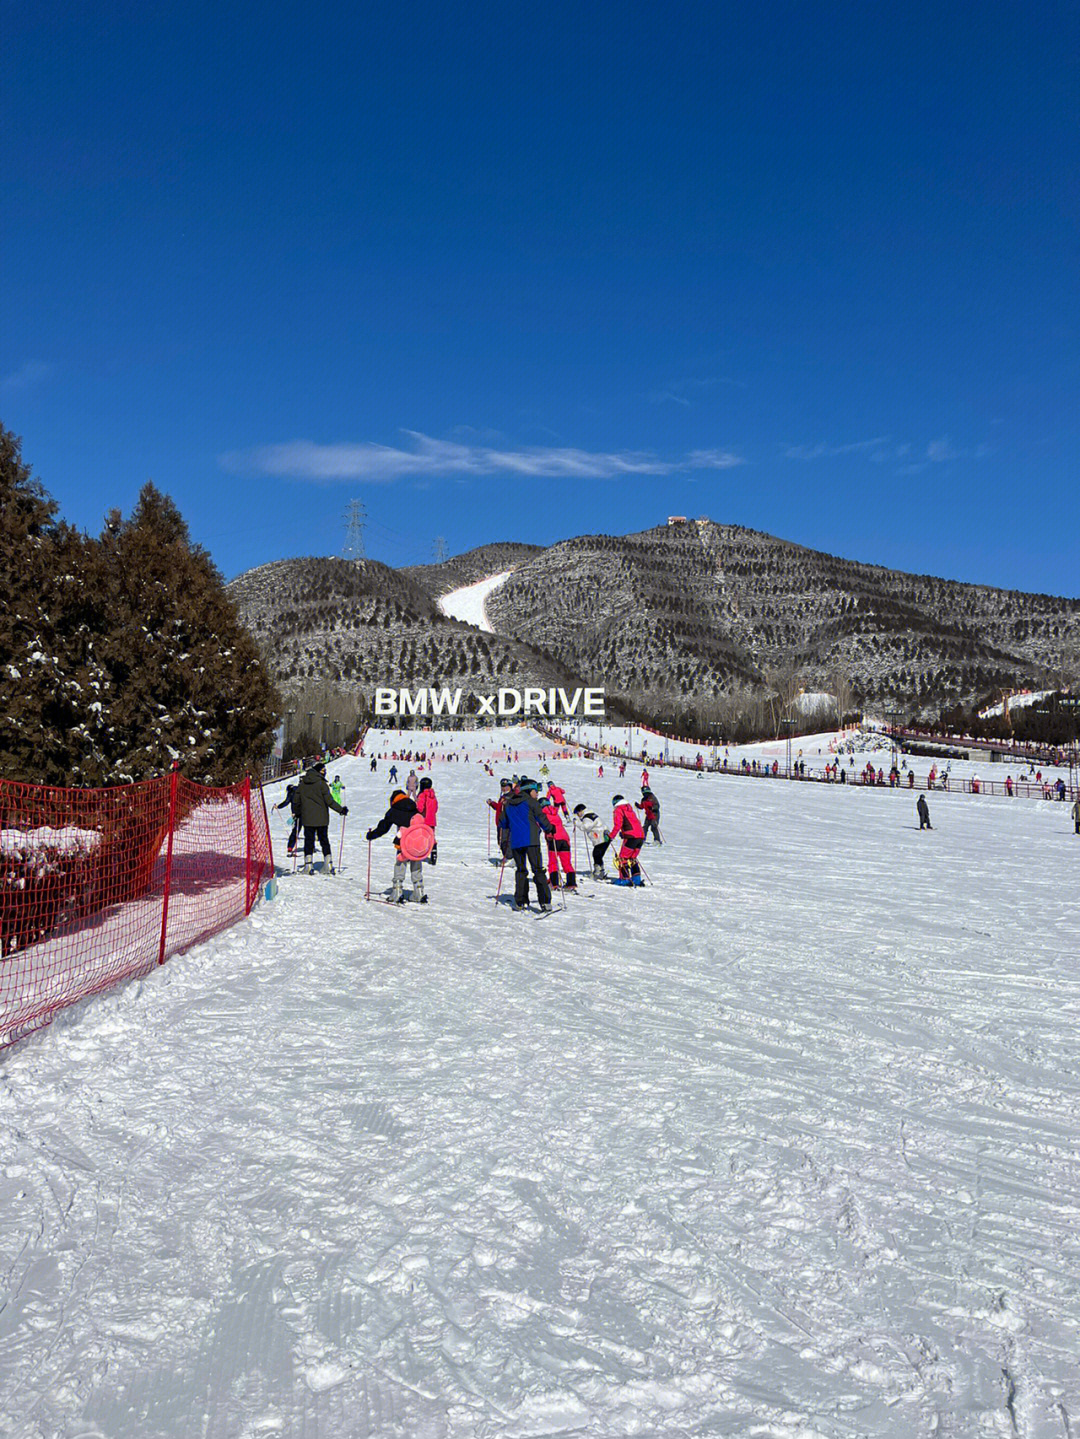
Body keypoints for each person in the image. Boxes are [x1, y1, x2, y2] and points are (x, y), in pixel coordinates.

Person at [501, 778, 554, 911]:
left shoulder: (509, 804)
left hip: (516, 842)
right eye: (535, 791)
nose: (537, 794)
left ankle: (520, 900)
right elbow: (541, 817)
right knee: (538, 870)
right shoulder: (531, 802)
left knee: (521, 870)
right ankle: (545, 901)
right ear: (529, 791)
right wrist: (550, 828)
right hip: (531, 840)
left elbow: (503, 823)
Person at [366, 789, 428, 903]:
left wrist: (371, 835)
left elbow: (383, 828)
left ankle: (397, 891)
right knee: (416, 864)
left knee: (400, 864)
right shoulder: (414, 808)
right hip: (417, 843)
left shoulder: (394, 810)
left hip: (403, 843)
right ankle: (419, 891)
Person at [296, 760, 348, 873]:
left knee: (309, 840)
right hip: (322, 818)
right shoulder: (322, 784)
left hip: (307, 818)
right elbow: (329, 801)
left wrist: (296, 812)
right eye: (323, 770)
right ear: (318, 771)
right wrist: (341, 810)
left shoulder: (302, 784)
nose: (325, 773)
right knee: (324, 839)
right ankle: (328, 864)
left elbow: (296, 800)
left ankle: (308, 865)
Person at [541, 794, 576, 890]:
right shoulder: (555, 813)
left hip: (553, 839)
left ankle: (554, 883)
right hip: (565, 839)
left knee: (553, 863)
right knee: (567, 863)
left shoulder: (542, 814)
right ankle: (571, 884)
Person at [609, 793, 645, 884]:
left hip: (631, 837)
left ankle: (624, 879)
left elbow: (618, 825)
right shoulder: (629, 809)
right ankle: (636, 879)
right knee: (632, 858)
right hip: (640, 836)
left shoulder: (618, 809)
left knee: (622, 858)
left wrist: (611, 836)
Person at [573, 804, 610, 879]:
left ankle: (598, 872)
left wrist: (577, 823)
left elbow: (585, 827)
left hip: (600, 838)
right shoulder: (592, 815)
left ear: (581, 811)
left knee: (596, 854)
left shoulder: (587, 817)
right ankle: (601, 871)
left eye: (577, 813)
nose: (578, 815)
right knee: (598, 855)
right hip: (605, 837)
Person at [274, 780, 302, 856]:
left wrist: (278, 806)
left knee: (295, 830)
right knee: (309, 830)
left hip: (296, 813)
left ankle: (290, 846)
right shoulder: (301, 789)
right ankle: (311, 847)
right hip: (306, 812)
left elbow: (286, 802)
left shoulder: (291, 792)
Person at [415, 775, 438, 864]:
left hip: (423, 820)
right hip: (432, 820)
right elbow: (435, 808)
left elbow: (420, 808)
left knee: (418, 837)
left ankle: (415, 854)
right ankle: (434, 853)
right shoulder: (433, 796)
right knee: (431, 837)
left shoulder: (422, 795)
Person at [488, 779, 514, 859]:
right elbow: (499, 808)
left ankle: (510, 858)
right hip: (500, 823)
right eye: (502, 786)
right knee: (500, 840)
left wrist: (507, 804)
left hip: (506, 823)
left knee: (506, 841)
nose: (504, 788)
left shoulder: (512, 796)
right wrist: (492, 804)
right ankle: (507, 857)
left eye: (506, 786)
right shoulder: (503, 797)